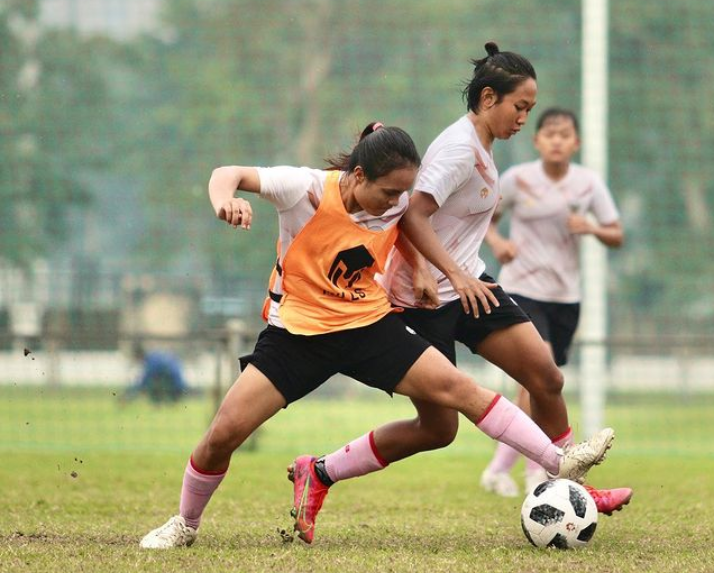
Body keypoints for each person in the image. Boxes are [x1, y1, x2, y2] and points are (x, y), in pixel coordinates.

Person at [140, 122, 613, 549]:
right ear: (357, 175)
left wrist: (423, 269)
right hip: (297, 336)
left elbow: (408, 221)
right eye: (388, 192)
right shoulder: (301, 188)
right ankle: (185, 523)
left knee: (462, 391)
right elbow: (228, 172)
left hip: (369, 325)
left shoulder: (396, 198)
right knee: (222, 435)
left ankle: (559, 460)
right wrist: (225, 200)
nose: (396, 203)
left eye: (402, 193)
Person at [376, 42, 628, 514]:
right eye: (520, 107)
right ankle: (321, 469)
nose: (523, 119)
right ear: (488, 98)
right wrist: (439, 271)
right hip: (423, 300)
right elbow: (413, 213)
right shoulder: (456, 149)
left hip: (471, 285)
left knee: (546, 378)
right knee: (437, 430)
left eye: (529, 109)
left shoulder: (484, 148)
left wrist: (463, 270)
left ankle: (575, 489)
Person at [479, 107, 625, 496]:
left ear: (576, 143)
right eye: (550, 133)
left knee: (539, 389)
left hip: (565, 298)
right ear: (537, 140)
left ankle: (497, 469)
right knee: (536, 374)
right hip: (522, 291)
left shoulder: (588, 184)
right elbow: (485, 218)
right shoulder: (517, 179)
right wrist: (498, 243)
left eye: (565, 134)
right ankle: (536, 472)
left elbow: (616, 233)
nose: (557, 140)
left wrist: (591, 227)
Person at [122, 344, 190, 404]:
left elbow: (144, 381)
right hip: (179, 384)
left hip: (175, 386)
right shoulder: (154, 357)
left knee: (152, 383)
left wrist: (128, 396)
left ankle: (159, 403)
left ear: (139, 356)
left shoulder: (151, 361)